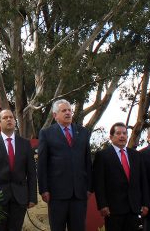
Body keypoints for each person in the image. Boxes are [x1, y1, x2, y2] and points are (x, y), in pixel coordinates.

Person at [37, 99, 92, 231]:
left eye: (69, 110)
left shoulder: (83, 132)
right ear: (55, 115)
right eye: (64, 111)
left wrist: (89, 187)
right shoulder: (46, 133)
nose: (68, 113)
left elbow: (87, 161)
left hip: (79, 193)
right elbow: (42, 164)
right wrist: (44, 189)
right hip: (57, 194)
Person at [0, 109, 37, 231]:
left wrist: (32, 197)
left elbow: (31, 173)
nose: (9, 119)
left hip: (20, 197)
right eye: (5, 118)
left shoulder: (25, 144)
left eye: (11, 117)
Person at [92, 122, 149, 231]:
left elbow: (143, 181)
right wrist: (102, 205)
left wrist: (145, 203)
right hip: (113, 209)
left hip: (133, 208)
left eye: (124, 133)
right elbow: (99, 183)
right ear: (111, 137)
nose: (122, 136)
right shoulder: (102, 155)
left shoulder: (136, 155)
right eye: (118, 133)